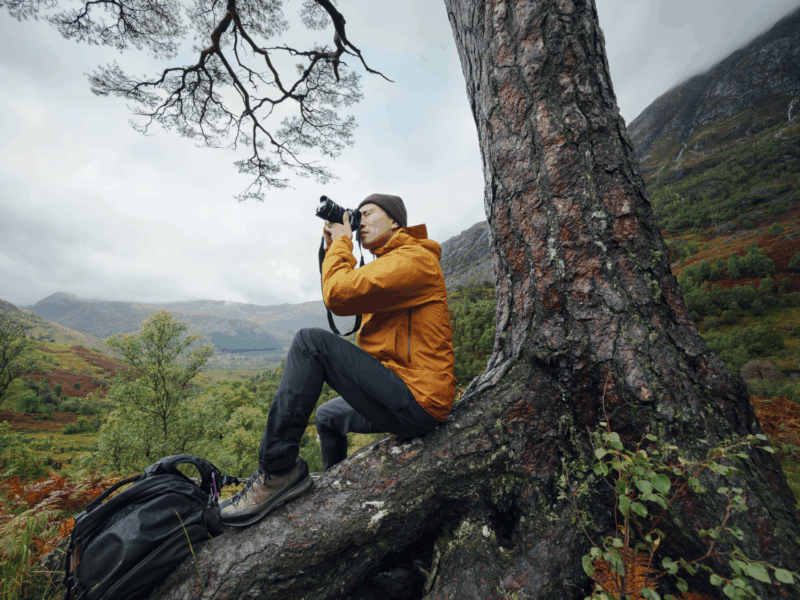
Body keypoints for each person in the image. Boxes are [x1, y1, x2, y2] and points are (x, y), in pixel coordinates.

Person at [219, 193, 456, 527]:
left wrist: (342, 243)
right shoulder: (390, 266)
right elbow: (348, 291)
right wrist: (336, 246)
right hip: (402, 395)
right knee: (328, 416)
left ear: (395, 221)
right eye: (356, 217)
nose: (360, 223)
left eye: (368, 214)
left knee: (310, 342)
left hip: (419, 400)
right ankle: (330, 492)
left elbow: (338, 295)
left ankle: (277, 470)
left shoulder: (416, 259)